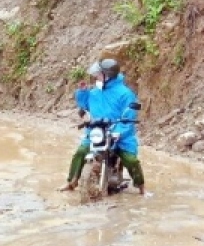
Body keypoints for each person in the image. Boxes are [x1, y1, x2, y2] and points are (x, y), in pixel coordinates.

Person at [60, 58, 146, 195]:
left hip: (119, 135)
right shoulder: (94, 92)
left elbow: (129, 116)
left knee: (131, 159)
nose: (96, 77)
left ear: (108, 75)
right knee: (81, 152)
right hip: (97, 131)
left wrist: (119, 132)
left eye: (99, 74)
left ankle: (141, 187)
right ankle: (71, 182)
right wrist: (82, 92)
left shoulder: (125, 94)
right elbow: (83, 105)